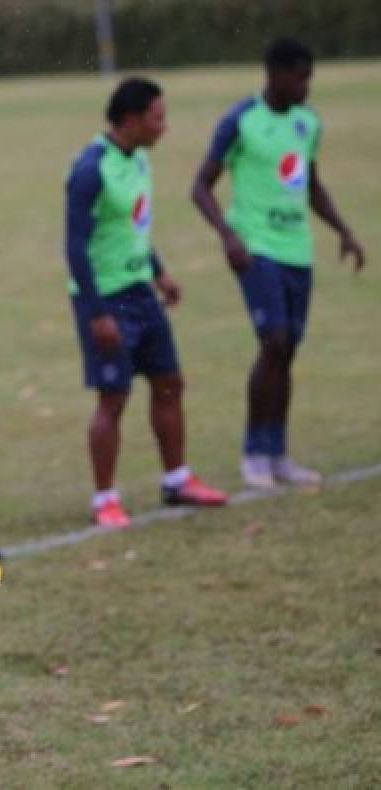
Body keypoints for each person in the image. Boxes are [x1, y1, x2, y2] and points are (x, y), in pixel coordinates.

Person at [191, 37, 366, 488]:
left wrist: (344, 231)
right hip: (255, 247)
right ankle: (254, 452)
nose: (307, 86)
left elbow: (311, 185)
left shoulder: (309, 124)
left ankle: (278, 454)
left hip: (296, 250)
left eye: (310, 77)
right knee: (274, 340)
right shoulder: (240, 121)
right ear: (274, 75)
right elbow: (201, 186)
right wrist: (228, 236)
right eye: (300, 77)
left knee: (287, 351)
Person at [64, 78, 228, 528]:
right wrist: (96, 312)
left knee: (169, 382)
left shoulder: (136, 161)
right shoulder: (90, 168)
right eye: (158, 118)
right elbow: (76, 247)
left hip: (140, 291)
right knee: (113, 398)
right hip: (105, 297)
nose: (164, 127)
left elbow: (130, 227)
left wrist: (159, 272)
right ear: (132, 120)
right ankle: (105, 500)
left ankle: (177, 480)